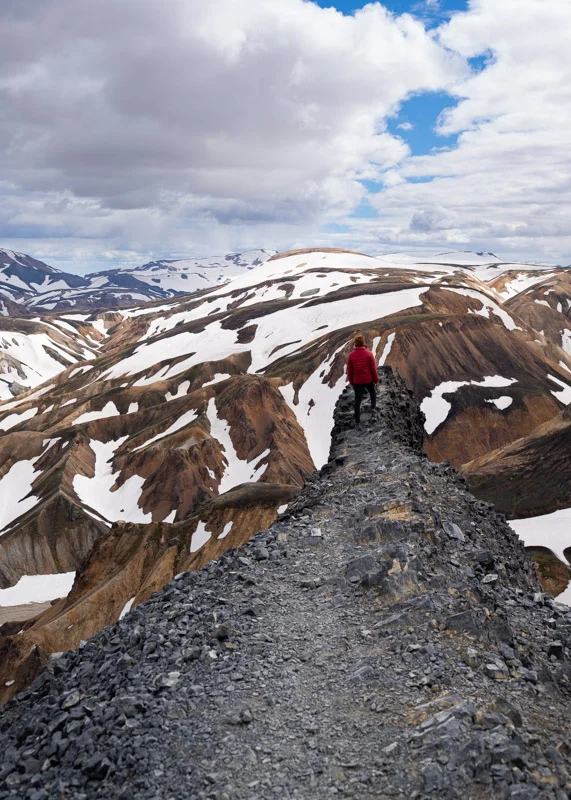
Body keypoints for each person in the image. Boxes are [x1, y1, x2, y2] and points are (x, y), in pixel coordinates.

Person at [347, 334, 379, 425]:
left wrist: (351, 382)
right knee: (372, 393)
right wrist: (376, 380)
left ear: (355, 344)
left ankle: (357, 419)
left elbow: (350, 371)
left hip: (357, 382)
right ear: (363, 343)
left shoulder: (351, 356)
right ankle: (373, 408)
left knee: (358, 400)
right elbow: (373, 369)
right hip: (368, 380)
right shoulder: (369, 354)